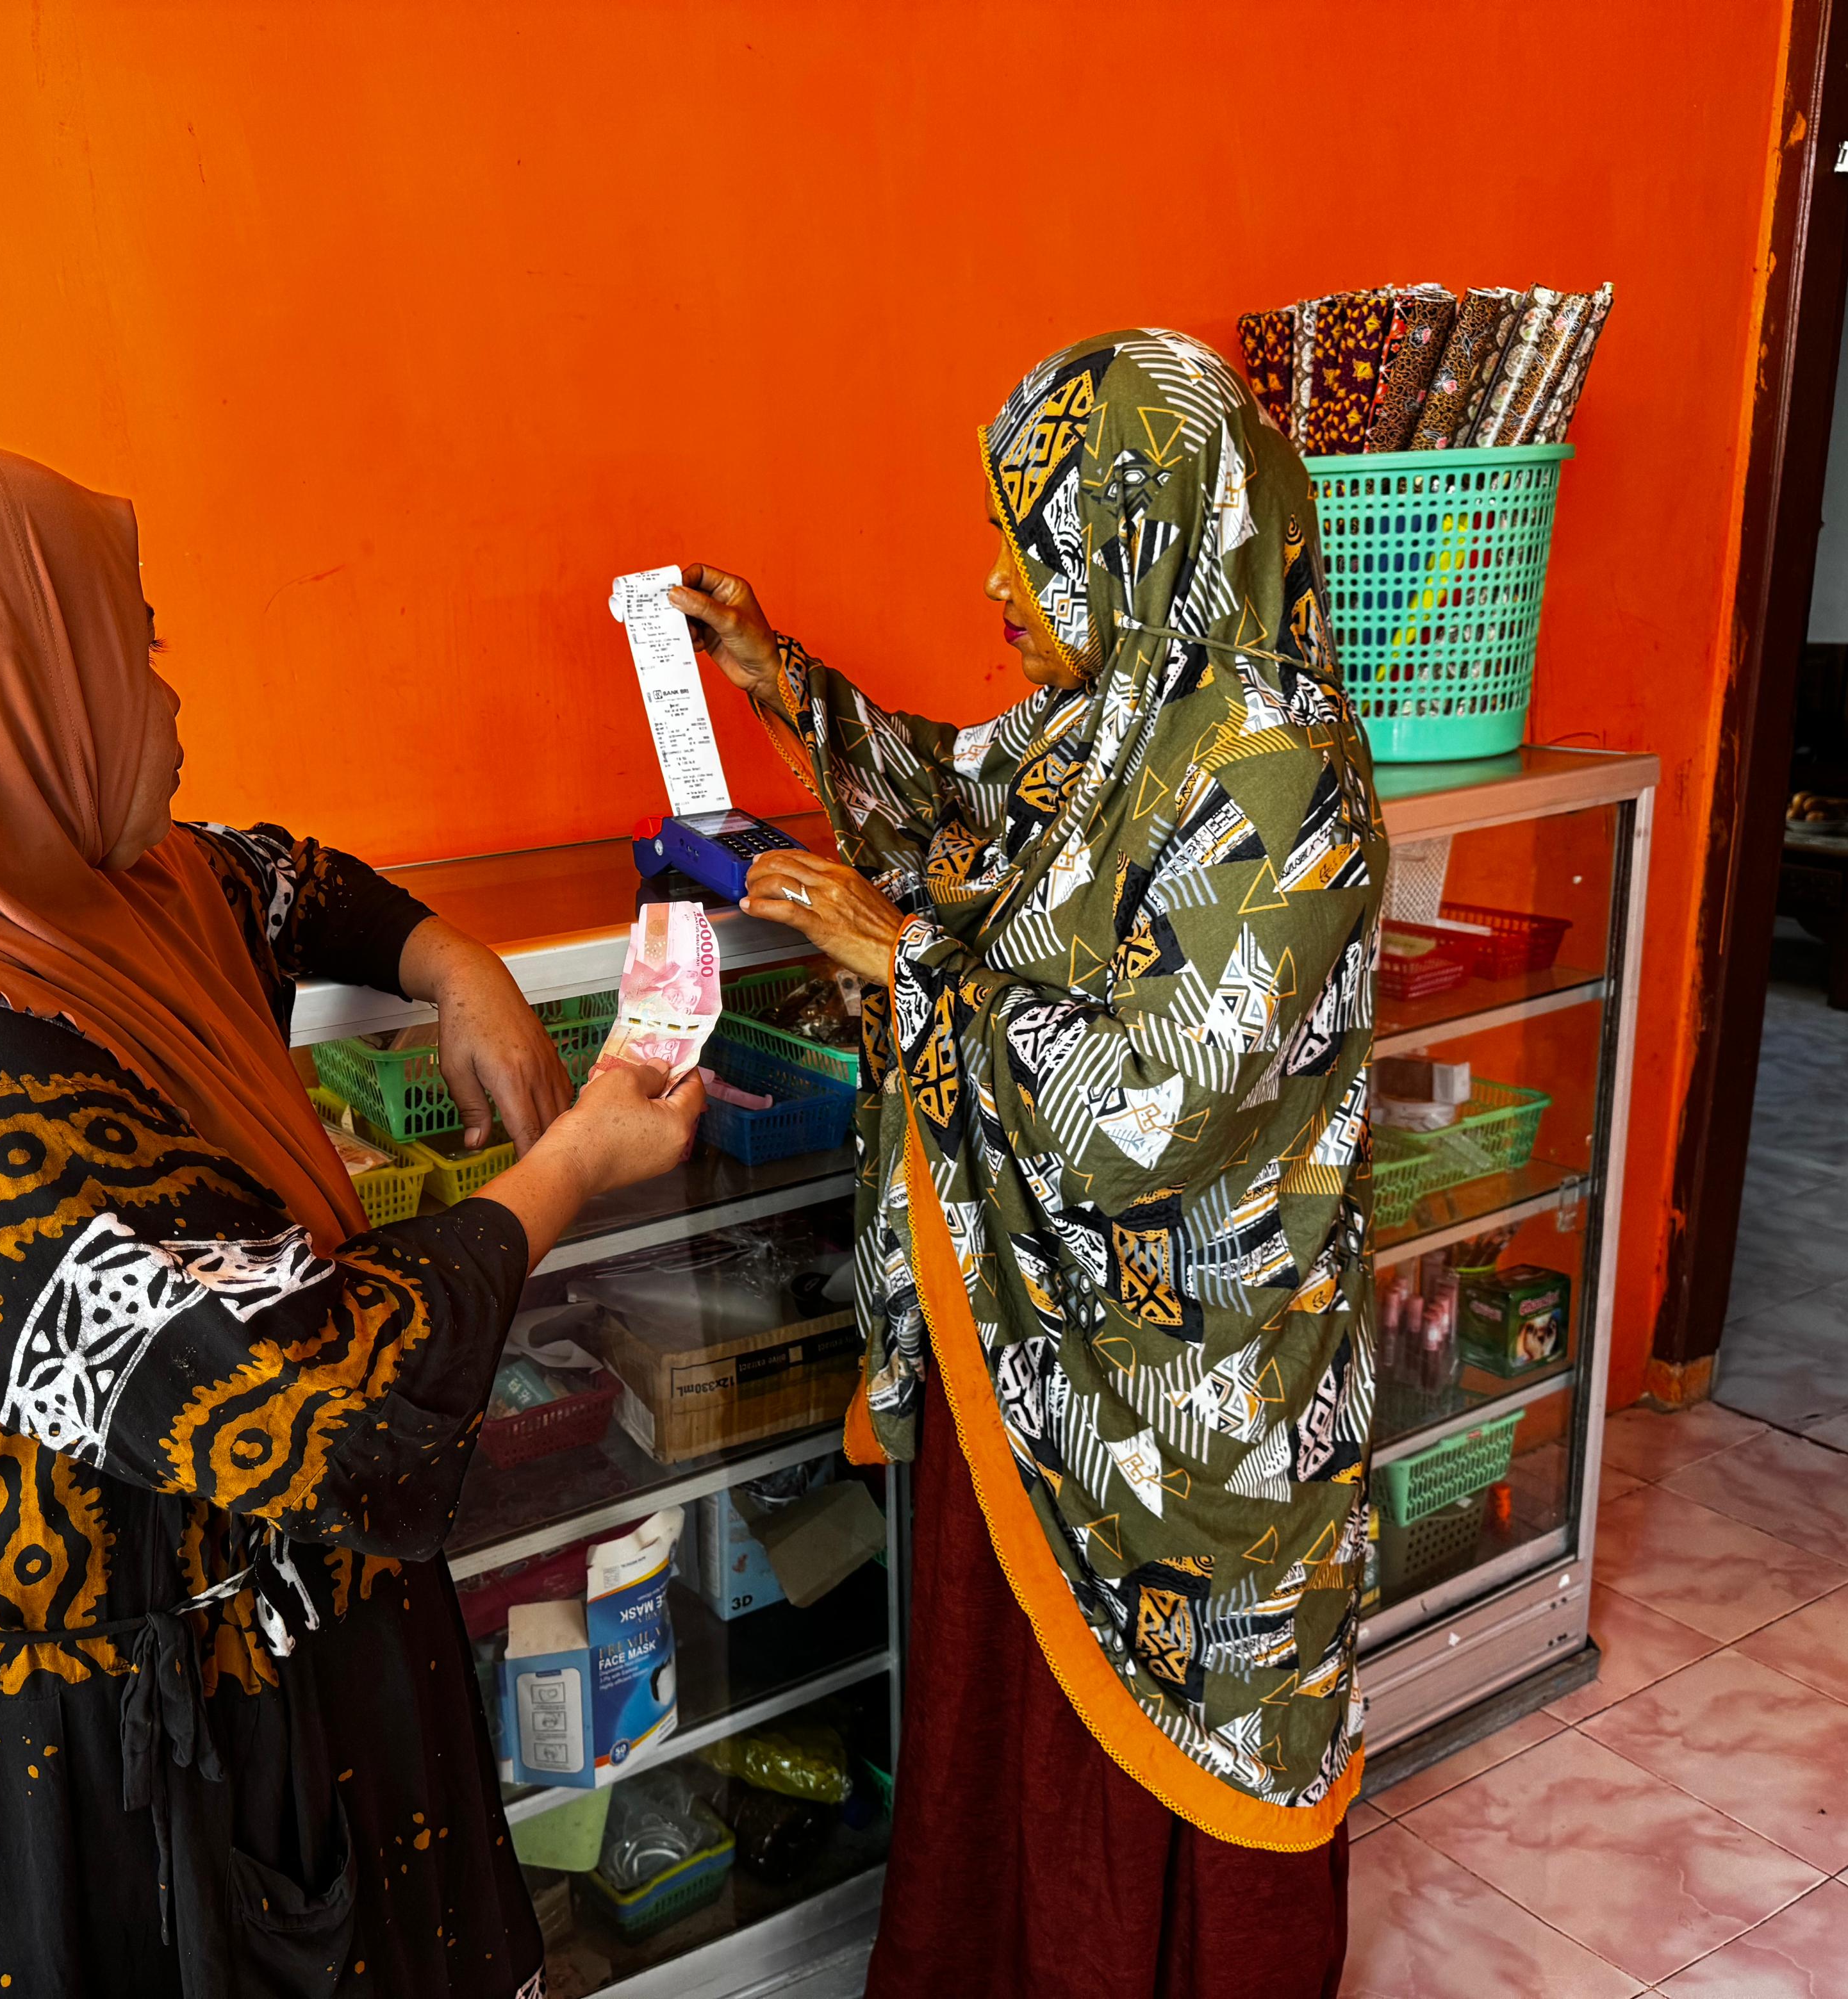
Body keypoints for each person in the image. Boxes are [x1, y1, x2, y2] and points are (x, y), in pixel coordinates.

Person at [0, 441, 705, 1999]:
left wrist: (452, 967)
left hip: (244, 1687)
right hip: (87, 1785)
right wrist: (570, 1169)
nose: (169, 695)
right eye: (131, 645)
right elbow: (309, 1402)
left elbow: (288, 882)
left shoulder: (89, 895)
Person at [674, 329, 1383, 1998]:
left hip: (1200, 1410)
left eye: (1028, 530)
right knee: (1022, 1717)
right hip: (1055, 1370)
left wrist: (901, 966)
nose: (993, 571)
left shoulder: (1278, 770)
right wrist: (776, 672)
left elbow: (1149, 1112)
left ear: (1137, 528)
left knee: (1190, 1742)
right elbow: (946, 815)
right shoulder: (1111, 727)